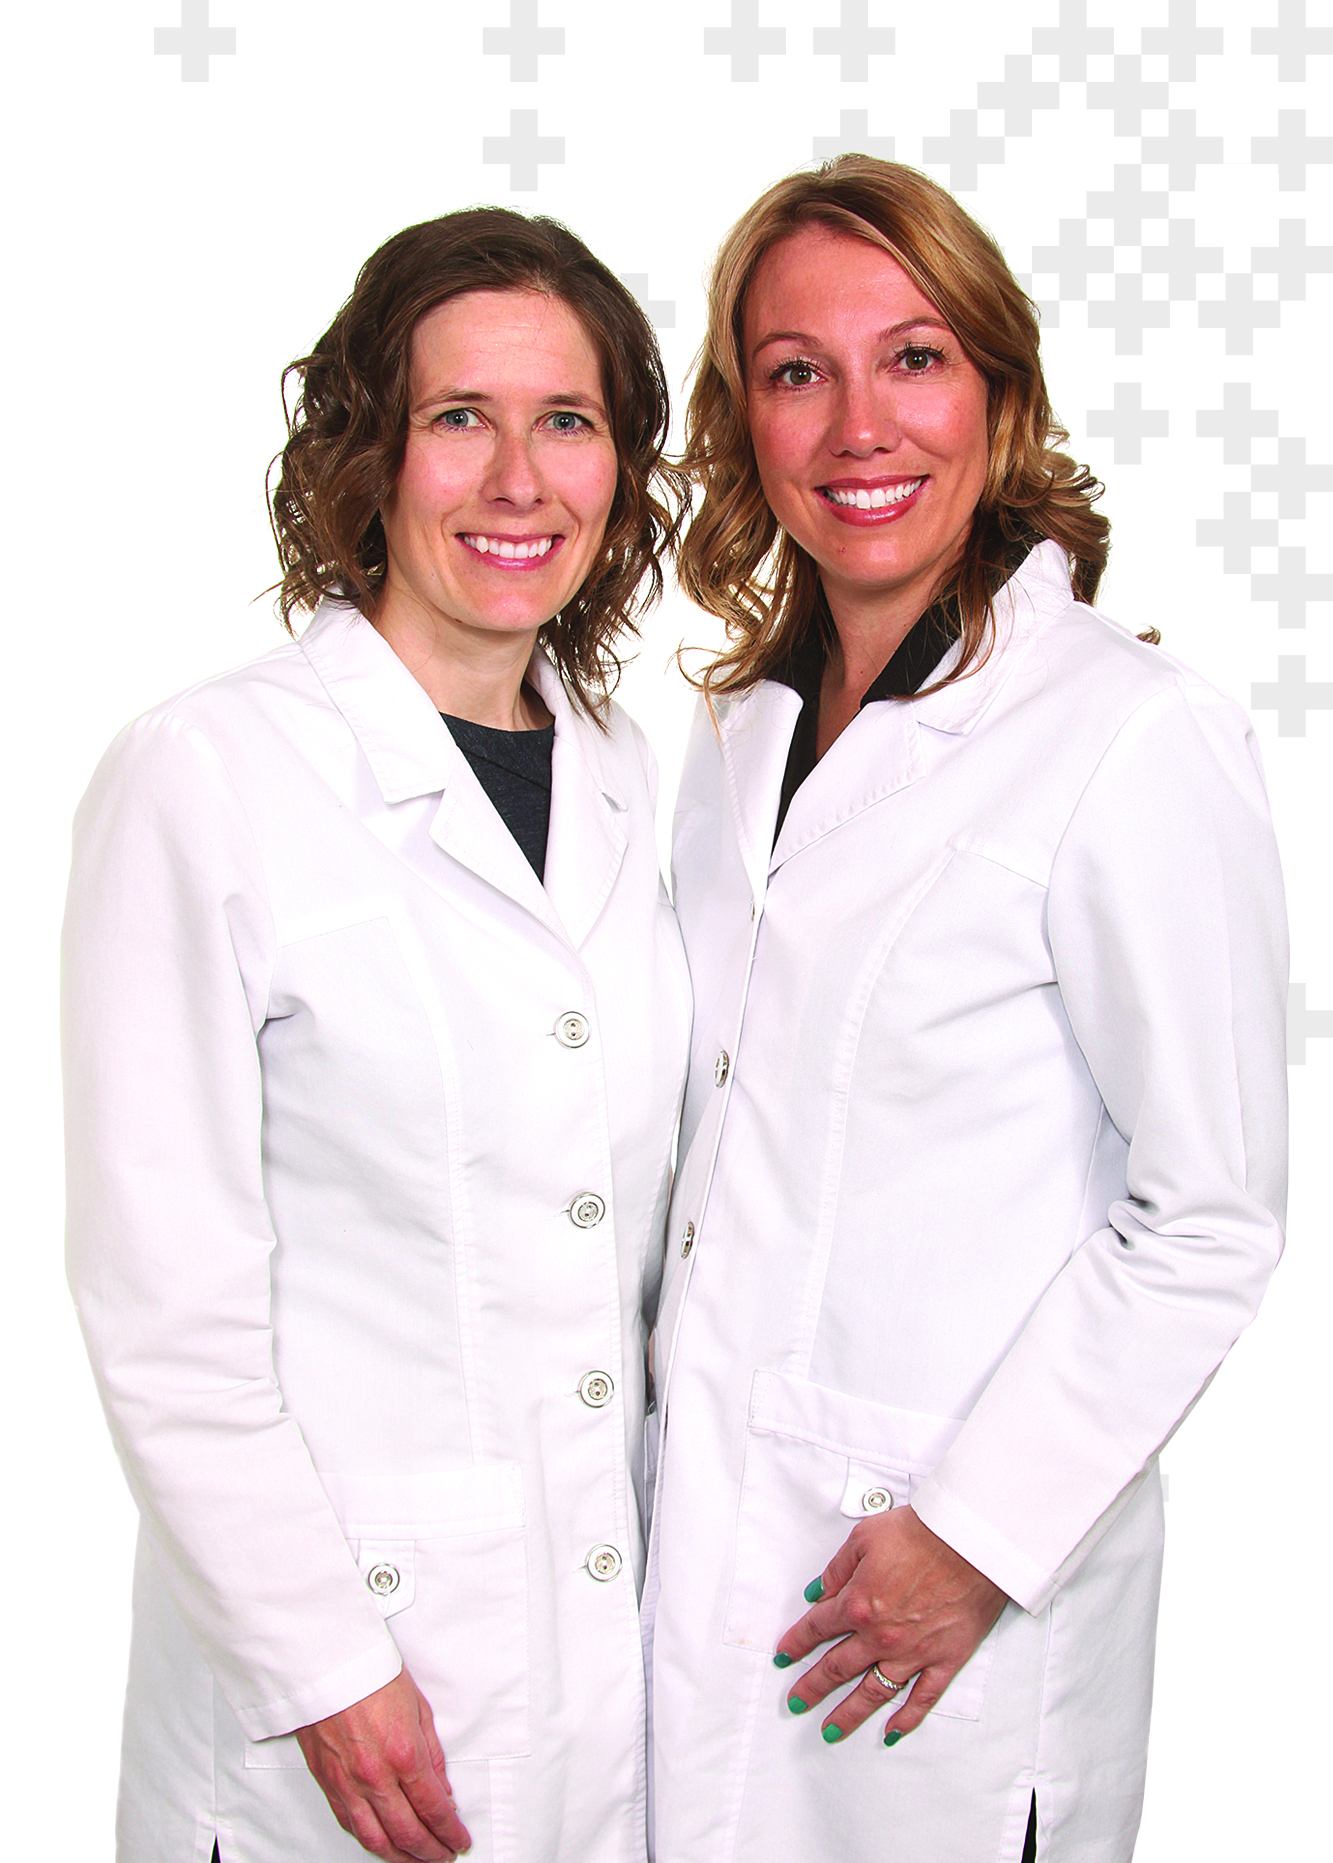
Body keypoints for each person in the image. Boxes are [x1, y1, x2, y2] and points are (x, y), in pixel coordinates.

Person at [646, 155, 1287, 1863]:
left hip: (943, 1596)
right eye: (797, 371)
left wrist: (980, 1536)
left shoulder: (1129, 734)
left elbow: (1208, 1212)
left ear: (998, 393)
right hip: (706, 1554)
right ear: (745, 419)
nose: (861, 425)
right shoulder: (735, 741)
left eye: (914, 358)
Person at [63, 208, 692, 1863]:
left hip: (591, 1673)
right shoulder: (208, 775)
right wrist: (325, 1666)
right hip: (340, 1692)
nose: (518, 479)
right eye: (458, 416)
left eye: (567, 421)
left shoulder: (621, 772)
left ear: (620, 466)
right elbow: (163, 1309)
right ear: (367, 453)